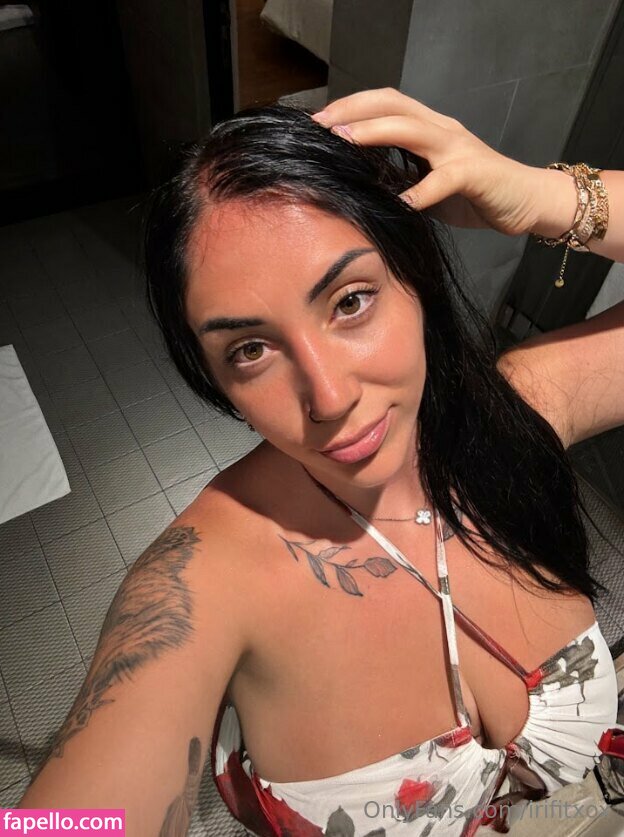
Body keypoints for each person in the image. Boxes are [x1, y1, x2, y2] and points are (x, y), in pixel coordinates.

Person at [17, 88, 624, 835]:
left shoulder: (513, 417)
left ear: (414, 276)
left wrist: (541, 196)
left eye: (350, 301)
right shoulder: (202, 584)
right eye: (250, 349)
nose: (330, 397)